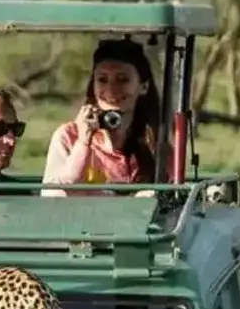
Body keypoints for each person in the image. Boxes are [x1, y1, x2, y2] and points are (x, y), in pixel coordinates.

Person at [40, 38, 161, 197]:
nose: (111, 90)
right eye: (102, 80)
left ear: (143, 86)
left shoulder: (155, 140)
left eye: (123, 80)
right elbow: (55, 195)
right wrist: (83, 142)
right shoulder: (68, 136)